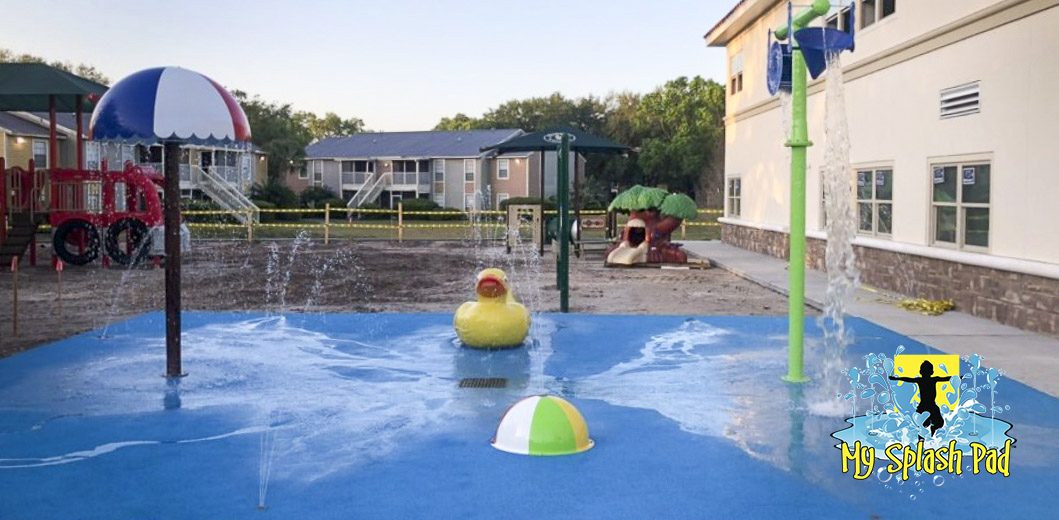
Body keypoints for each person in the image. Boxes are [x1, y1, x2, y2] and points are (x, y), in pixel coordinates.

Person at [889, 360, 949, 436]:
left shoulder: (924, 380)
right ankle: (927, 435)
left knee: (932, 424)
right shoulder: (929, 379)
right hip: (927, 406)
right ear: (932, 372)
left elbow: (908, 379)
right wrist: (959, 378)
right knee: (928, 424)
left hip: (926, 406)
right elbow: (947, 378)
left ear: (921, 372)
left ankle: (928, 434)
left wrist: (897, 379)